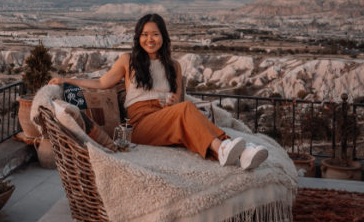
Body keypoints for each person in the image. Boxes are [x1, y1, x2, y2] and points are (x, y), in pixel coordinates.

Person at [50, 12, 267, 170]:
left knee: (184, 110)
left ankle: (240, 155)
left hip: (165, 117)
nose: (150, 39)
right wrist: (64, 80)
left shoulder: (174, 66)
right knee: (186, 109)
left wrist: (172, 104)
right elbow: (101, 83)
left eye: (155, 34)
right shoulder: (128, 61)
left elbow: (177, 100)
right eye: (145, 34)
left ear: (163, 36)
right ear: (138, 37)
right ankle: (225, 148)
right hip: (140, 124)